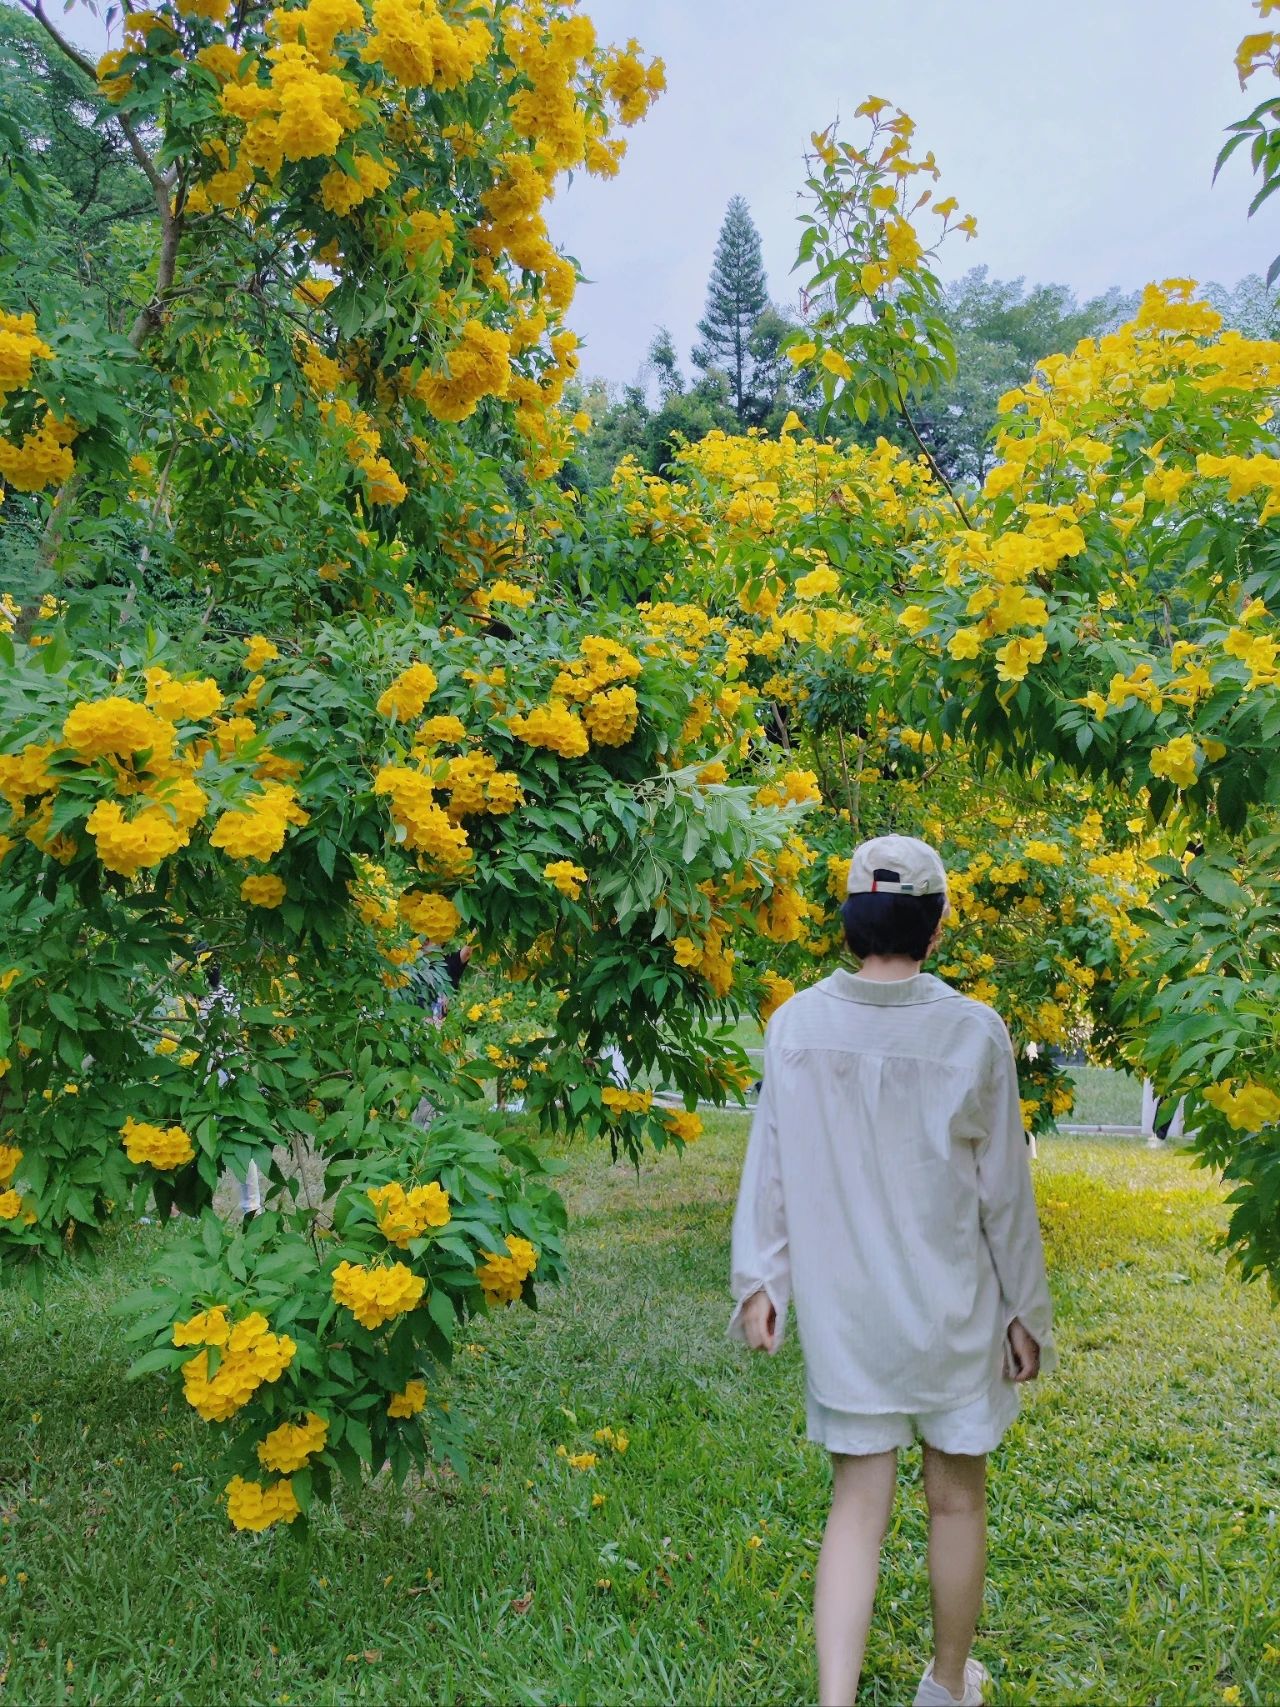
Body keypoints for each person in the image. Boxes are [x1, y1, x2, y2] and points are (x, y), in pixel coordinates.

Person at [729, 834, 1056, 1707]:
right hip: (953, 1314)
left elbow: (771, 1170)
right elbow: (1005, 1199)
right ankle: (947, 1685)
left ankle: (835, 1700)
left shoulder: (794, 1024)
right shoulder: (974, 1032)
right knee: (956, 1503)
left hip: (850, 1322)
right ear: (936, 924)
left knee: (855, 1510)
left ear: (848, 921)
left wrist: (761, 1282)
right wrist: (1025, 1311)